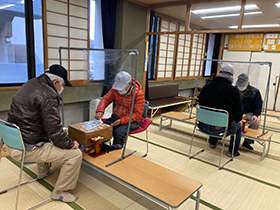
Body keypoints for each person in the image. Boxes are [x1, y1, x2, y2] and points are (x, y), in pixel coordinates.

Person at [5, 64, 82, 203]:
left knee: (48, 137)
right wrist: (71, 144)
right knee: (75, 154)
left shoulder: (31, 83)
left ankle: (43, 172)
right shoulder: (48, 95)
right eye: (63, 85)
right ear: (56, 82)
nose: (62, 89)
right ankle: (60, 192)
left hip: (11, 141)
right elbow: (54, 131)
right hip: (26, 148)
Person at [198, 66, 244, 157]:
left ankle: (212, 143)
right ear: (232, 76)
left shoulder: (206, 87)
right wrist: (238, 119)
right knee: (238, 125)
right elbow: (239, 114)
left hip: (203, 125)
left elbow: (200, 102)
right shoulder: (233, 91)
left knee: (213, 117)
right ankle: (232, 152)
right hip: (221, 129)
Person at [95, 71, 145, 151]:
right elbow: (106, 99)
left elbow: (138, 114)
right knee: (104, 128)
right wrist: (100, 110)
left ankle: (116, 150)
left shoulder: (138, 94)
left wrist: (121, 121)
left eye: (122, 87)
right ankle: (104, 147)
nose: (119, 90)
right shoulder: (115, 89)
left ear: (129, 84)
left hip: (132, 120)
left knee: (118, 132)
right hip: (117, 116)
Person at [236, 73, 263, 150]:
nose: (241, 86)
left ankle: (247, 142)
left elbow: (258, 105)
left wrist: (255, 115)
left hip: (248, 112)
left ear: (248, 83)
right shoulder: (233, 89)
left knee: (255, 122)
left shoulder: (255, 91)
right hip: (236, 111)